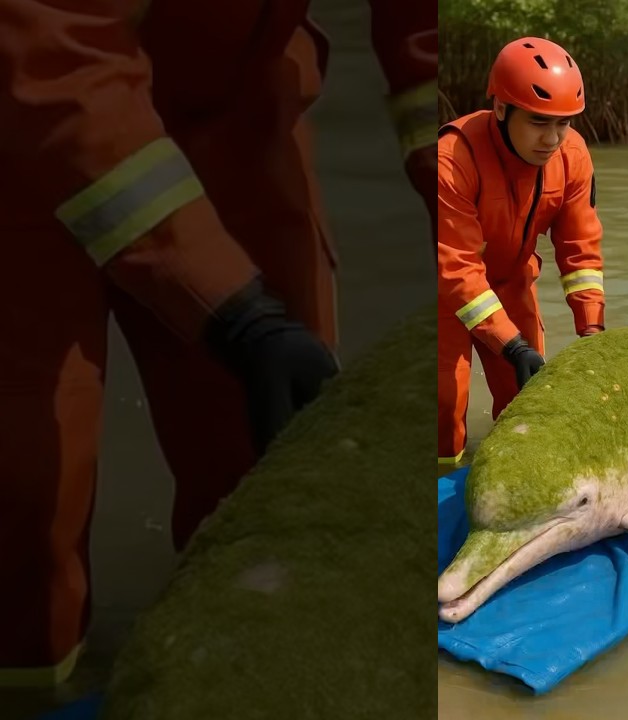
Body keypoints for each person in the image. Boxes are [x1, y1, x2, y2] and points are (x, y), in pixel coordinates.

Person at [0, 1, 437, 688]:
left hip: (236, 92)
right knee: (25, 497)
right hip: (20, 100)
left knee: (282, 456)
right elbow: (55, 50)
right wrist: (237, 314)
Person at [437, 37, 607, 466]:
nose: (552, 138)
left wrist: (592, 332)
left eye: (563, 123)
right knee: (443, 409)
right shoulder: (451, 159)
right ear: (500, 109)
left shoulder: (573, 156)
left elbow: (581, 252)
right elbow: (455, 269)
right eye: (538, 121)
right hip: (442, 294)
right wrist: (511, 345)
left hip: (513, 282)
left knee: (526, 408)